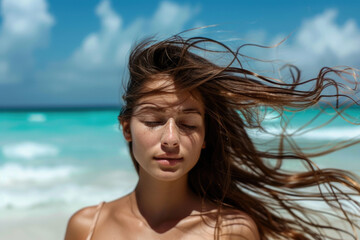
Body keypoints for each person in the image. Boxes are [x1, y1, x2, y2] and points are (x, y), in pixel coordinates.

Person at [64, 34, 360, 240]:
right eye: (153, 120)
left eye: (188, 125)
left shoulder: (231, 231)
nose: (170, 139)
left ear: (206, 136)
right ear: (127, 128)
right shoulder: (87, 227)